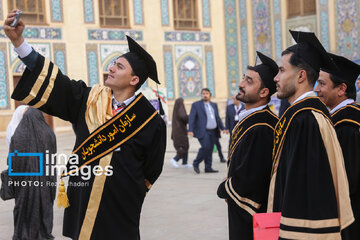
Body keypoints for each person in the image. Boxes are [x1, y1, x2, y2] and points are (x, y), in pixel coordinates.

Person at [4, 10, 166, 240]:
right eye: (112, 64)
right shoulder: (88, 99)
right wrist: (19, 42)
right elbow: (55, 82)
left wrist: (130, 190)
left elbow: (152, 168)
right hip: (83, 199)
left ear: (134, 80)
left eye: (119, 66)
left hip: (122, 206)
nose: (110, 68)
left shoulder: (150, 121)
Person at [268, 30, 354, 239]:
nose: (275, 78)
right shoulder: (305, 115)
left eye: (281, 70)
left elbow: (307, 194)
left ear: (301, 75)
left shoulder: (305, 120)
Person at [217, 51, 279, 240]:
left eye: (249, 81)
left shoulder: (262, 127)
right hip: (243, 212)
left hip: (253, 216)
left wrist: (224, 188)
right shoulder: (254, 120)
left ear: (264, 92)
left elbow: (251, 180)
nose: (241, 84)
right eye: (244, 78)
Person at [314, 53, 360, 240]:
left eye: (322, 84)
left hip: (350, 217)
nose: (316, 90)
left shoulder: (347, 125)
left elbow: (347, 182)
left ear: (341, 89)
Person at [7, 106, 57, 240]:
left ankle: (22, 234)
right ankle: (43, 234)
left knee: (23, 208)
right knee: (44, 207)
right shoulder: (49, 133)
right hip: (45, 183)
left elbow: (13, 161)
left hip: (23, 184)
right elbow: (52, 160)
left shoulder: (17, 135)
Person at [188, 88, 225, 174]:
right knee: (206, 147)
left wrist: (223, 128)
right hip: (203, 131)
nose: (205, 95)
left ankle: (208, 167)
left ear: (210, 95)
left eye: (207, 93)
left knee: (210, 149)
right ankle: (196, 162)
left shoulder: (214, 105)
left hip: (213, 131)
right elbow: (191, 118)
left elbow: (217, 118)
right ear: (201, 95)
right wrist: (190, 129)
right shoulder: (196, 105)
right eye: (203, 93)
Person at [170, 98, 192, 168]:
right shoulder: (180, 108)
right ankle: (175, 159)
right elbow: (184, 117)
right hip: (180, 132)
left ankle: (184, 163)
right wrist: (191, 116)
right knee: (184, 147)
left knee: (185, 146)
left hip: (179, 131)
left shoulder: (176, 110)